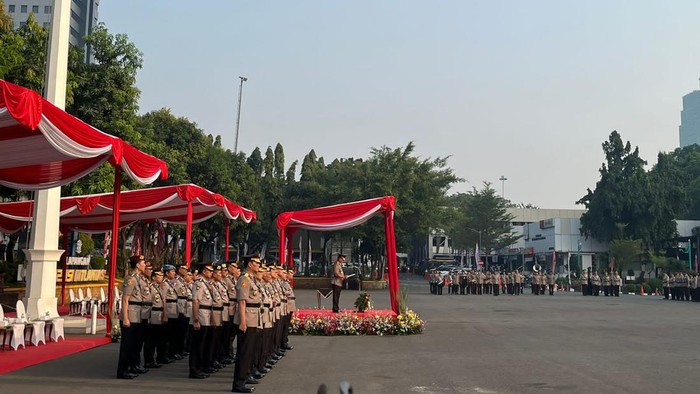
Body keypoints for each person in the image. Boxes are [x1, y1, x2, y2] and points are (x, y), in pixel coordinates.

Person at [232, 255, 263, 393]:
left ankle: (244, 378)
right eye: (256, 263)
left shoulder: (251, 279)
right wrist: (243, 321)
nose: (258, 265)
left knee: (249, 351)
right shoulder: (244, 279)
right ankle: (239, 383)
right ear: (249, 264)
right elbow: (242, 302)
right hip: (247, 319)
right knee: (244, 352)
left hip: (253, 317)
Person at [116, 255, 147, 379]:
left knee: (134, 344)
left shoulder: (140, 278)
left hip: (138, 314)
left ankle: (131, 366)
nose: (145, 265)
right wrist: (126, 318)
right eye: (143, 263)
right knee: (126, 345)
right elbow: (125, 299)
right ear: (138, 265)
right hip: (131, 314)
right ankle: (122, 370)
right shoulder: (130, 279)